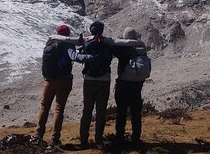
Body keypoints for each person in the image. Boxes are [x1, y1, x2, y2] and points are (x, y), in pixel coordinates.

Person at [79, 21, 144, 149]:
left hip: (90, 80)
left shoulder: (87, 42)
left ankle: (84, 140)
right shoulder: (137, 47)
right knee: (102, 111)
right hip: (107, 81)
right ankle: (100, 140)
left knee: (88, 110)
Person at [36, 24, 97, 146]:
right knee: (59, 109)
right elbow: (76, 57)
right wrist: (93, 57)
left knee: (44, 107)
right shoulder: (68, 44)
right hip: (64, 81)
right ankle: (54, 138)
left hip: (49, 80)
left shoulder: (50, 42)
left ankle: (38, 136)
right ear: (68, 34)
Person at [112, 27, 149, 145]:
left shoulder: (123, 49)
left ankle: (119, 138)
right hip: (137, 86)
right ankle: (136, 138)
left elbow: (112, 48)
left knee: (121, 112)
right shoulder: (141, 48)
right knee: (136, 113)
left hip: (123, 84)